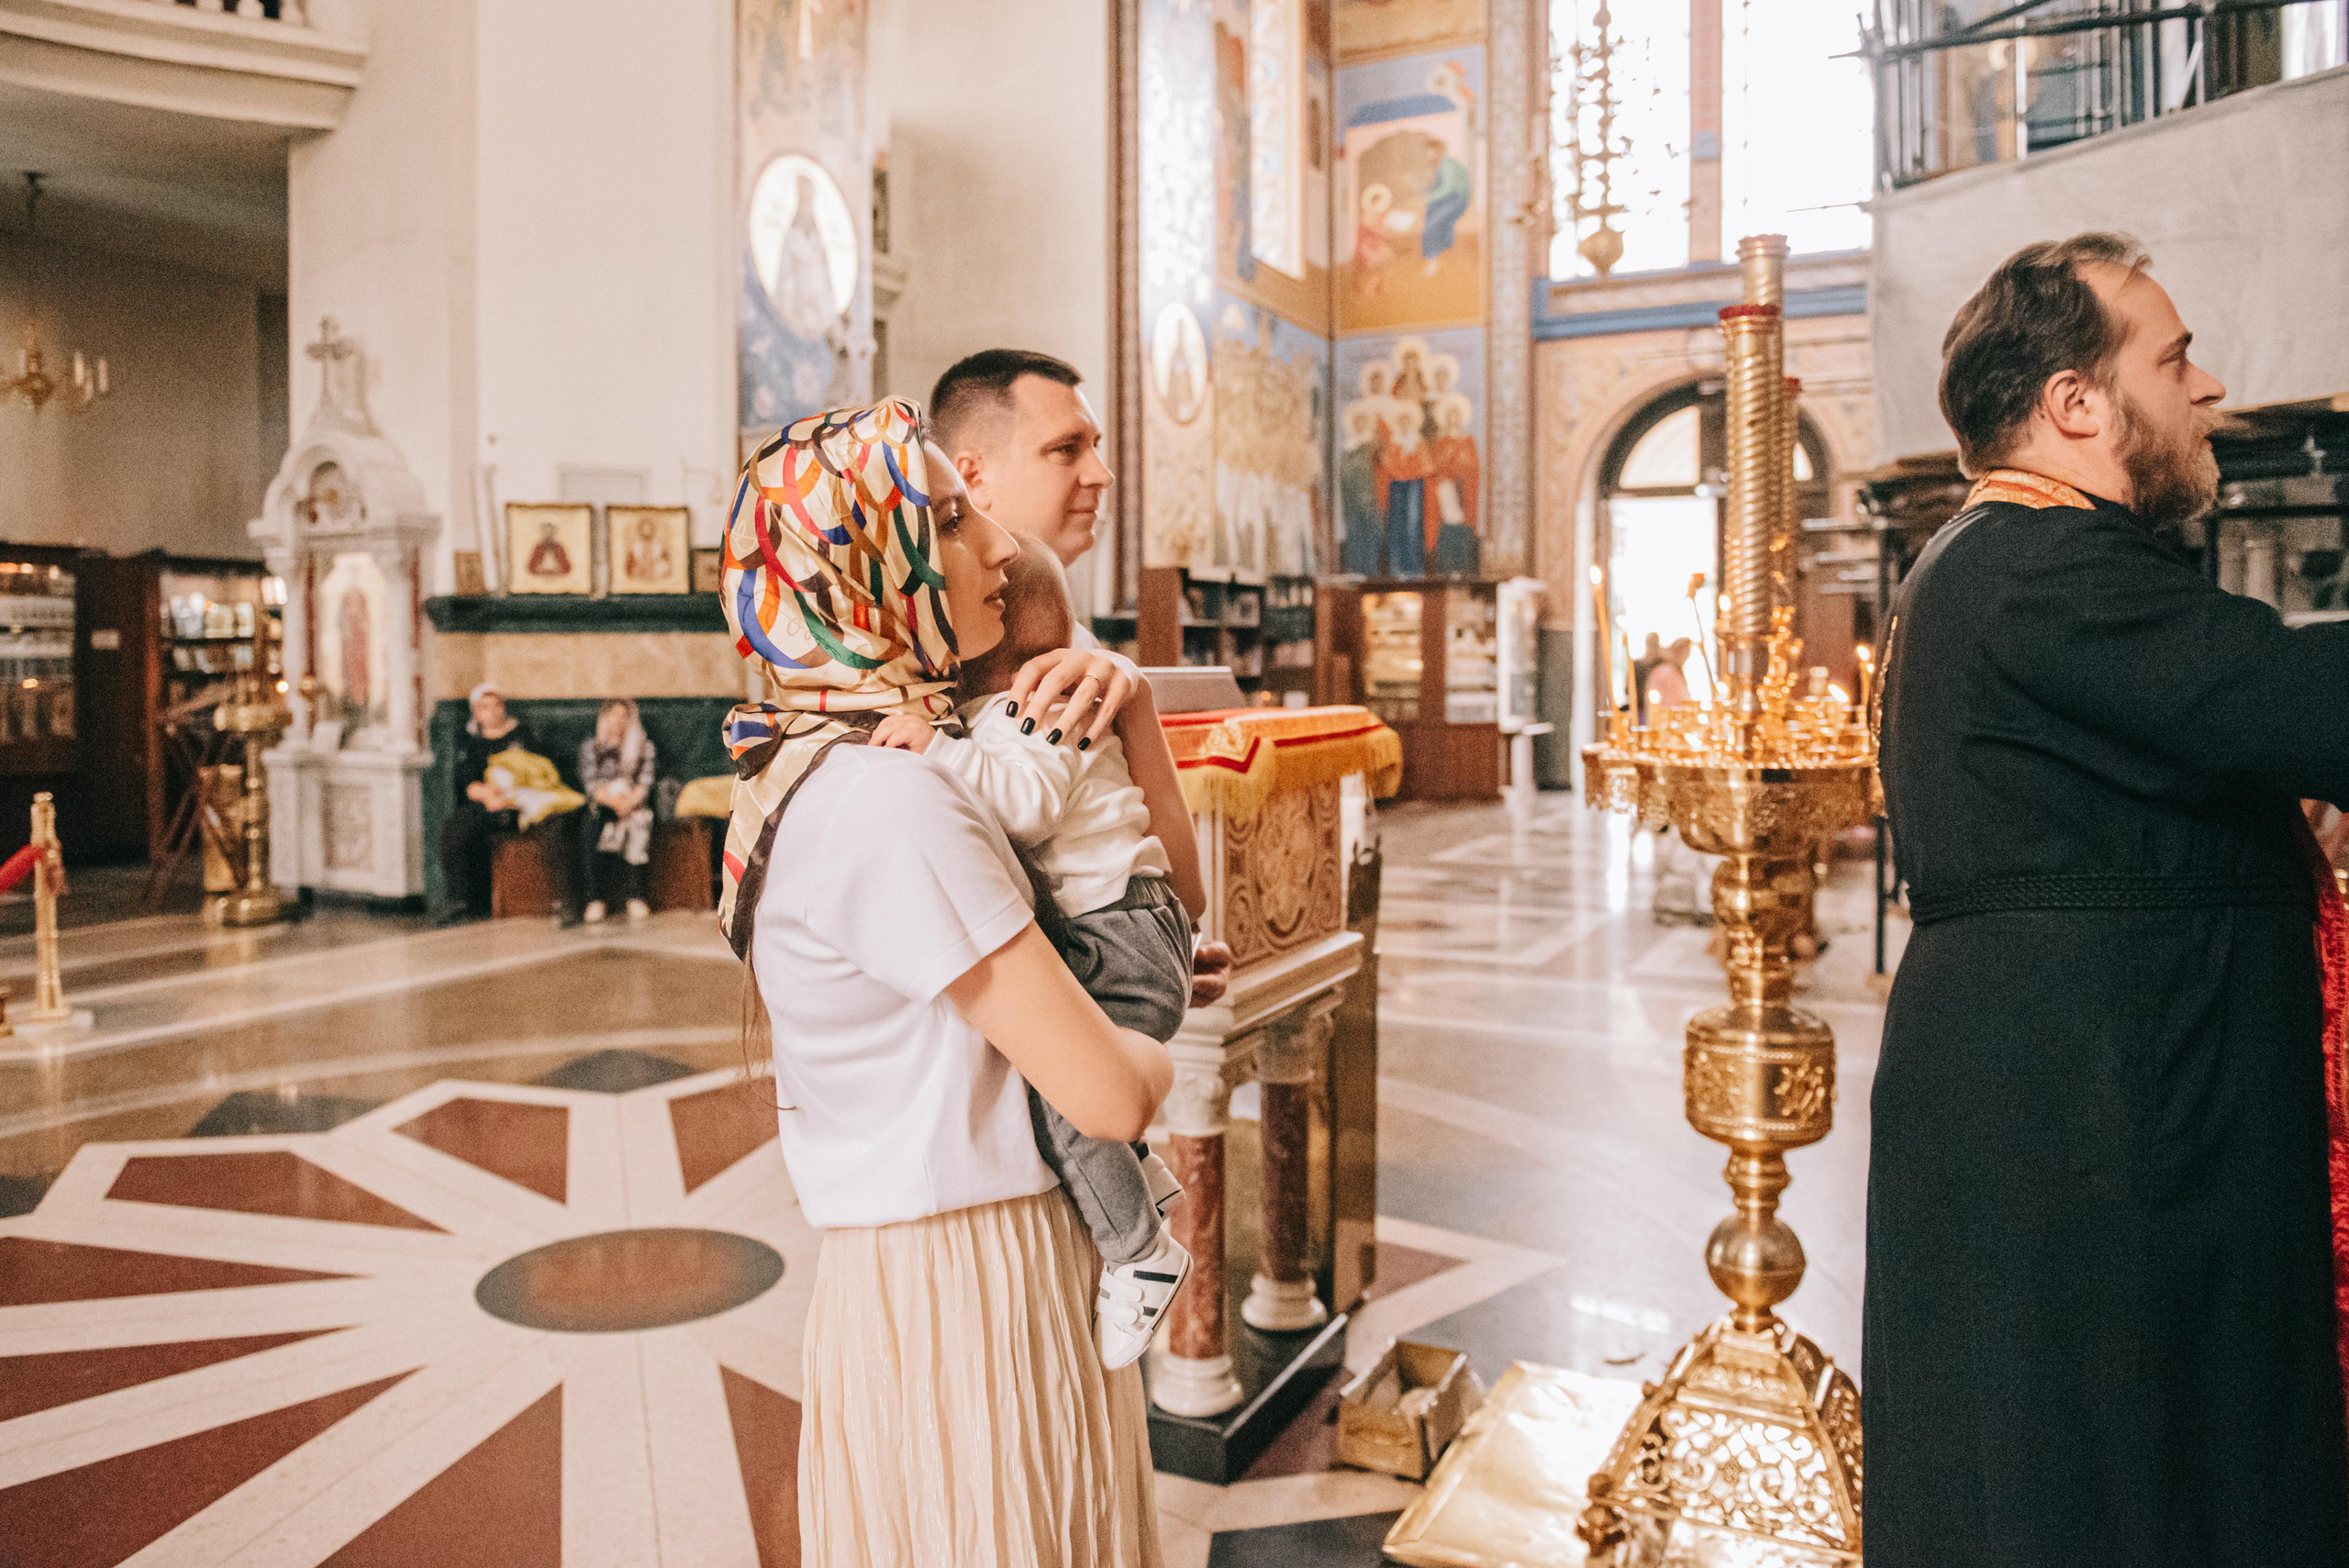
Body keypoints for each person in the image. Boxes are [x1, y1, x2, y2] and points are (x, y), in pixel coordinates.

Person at [1867, 232, 2349, 1565]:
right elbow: (2294, 698)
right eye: (2175, 355)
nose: (2209, 388)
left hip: (2091, 1108)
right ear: (2076, 403)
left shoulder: (2002, 559)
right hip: (2098, 1132)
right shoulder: (2039, 564)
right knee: (2106, 1486)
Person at [720, 398, 1167, 1564]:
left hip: (927, 1260)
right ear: (872, 561)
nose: (1003, 547)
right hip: (975, 1274)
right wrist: (1146, 1041)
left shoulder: (832, 766)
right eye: (955, 517)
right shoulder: (895, 795)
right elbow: (1112, 1100)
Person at [874, 542, 1203, 1369]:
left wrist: (934, 750)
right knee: (1070, 1080)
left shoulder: (1040, 699)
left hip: (1116, 930)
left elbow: (1024, 806)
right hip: (1119, 923)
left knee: (1068, 1090)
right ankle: (1139, 1179)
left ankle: (1142, 1252)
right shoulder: (1006, 713)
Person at [930, 348, 1239, 1007]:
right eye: (1066, 449)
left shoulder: (1079, 650)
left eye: (1095, 446)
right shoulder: (926, 658)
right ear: (970, 475)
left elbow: (1187, 893)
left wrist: (1160, 948)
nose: (1102, 473)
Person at [436, 682, 584, 927]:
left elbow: (543, 771)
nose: (492, 712)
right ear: (477, 713)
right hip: (493, 806)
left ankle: (565, 903)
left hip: (526, 802)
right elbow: (470, 783)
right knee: (456, 829)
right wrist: (489, 796)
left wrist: (518, 795)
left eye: (496, 706)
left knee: (556, 828)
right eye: (485, 708)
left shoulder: (525, 736)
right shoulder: (475, 746)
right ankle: (458, 903)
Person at [577, 696, 655, 923]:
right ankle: (596, 899)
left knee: (638, 825)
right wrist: (615, 803)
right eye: (614, 716)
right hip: (604, 804)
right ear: (604, 718)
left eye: (625, 716)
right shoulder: (591, 747)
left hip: (634, 803)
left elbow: (645, 783)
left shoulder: (644, 747)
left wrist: (629, 804)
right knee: (590, 827)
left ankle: (636, 896)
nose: (619, 721)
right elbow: (591, 785)